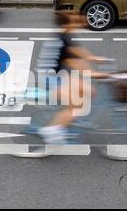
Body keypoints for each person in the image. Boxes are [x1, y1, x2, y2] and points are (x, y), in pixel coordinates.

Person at [37, 10, 110, 145]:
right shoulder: (64, 39)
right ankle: (51, 130)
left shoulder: (65, 34)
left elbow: (82, 54)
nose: (80, 22)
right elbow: (75, 63)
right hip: (51, 79)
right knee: (77, 105)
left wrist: (96, 59)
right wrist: (97, 74)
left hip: (57, 75)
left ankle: (71, 119)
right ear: (68, 23)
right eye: (76, 20)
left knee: (90, 90)